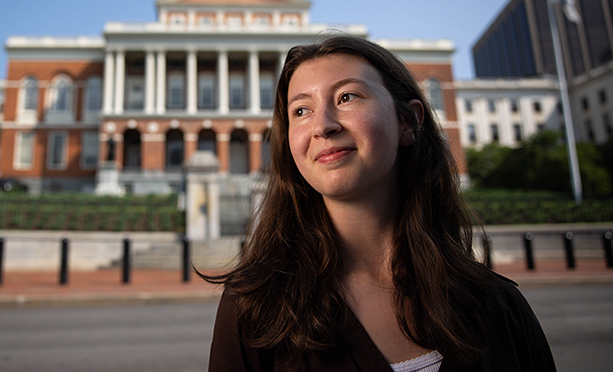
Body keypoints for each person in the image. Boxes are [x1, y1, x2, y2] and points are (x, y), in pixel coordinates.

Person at [205, 35, 556, 371]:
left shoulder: (499, 308)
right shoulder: (254, 308)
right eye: (300, 110)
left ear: (408, 121)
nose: (322, 126)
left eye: (347, 97)